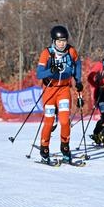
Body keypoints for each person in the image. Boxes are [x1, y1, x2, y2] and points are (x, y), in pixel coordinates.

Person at [35, 25, 83, 163]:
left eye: (64, 40)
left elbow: (77, 64)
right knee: (49, 122)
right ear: (53, 41)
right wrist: (51, 71)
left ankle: (65, 148)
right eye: (59, 41)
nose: (62, 43)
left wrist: (78, 80)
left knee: (64, 121)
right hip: (50, 91)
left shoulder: (71, 51)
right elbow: (39, 74)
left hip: (64, 90)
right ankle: (44, 149)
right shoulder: (47, 53)